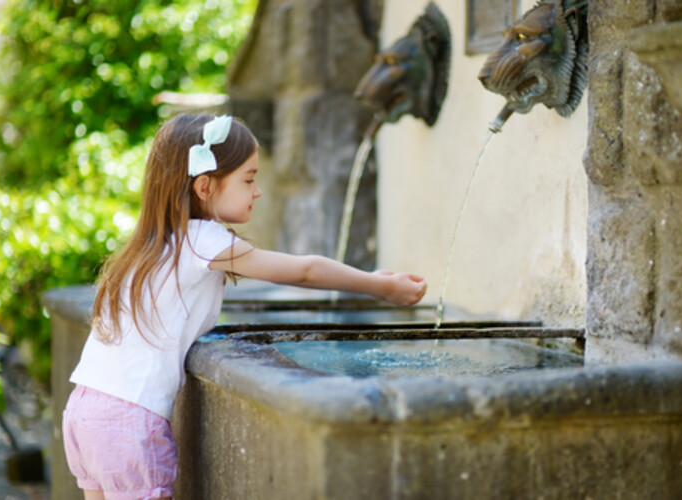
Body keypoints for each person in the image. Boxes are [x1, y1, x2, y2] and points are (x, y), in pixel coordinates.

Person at [62, 113, 427, 500]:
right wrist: (380, 285)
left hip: (85, 409)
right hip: (130, 420)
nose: (258, 191)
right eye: (249, 179)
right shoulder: (201, 239)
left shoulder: (146, 248)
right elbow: (304, 271)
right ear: (204, 186)